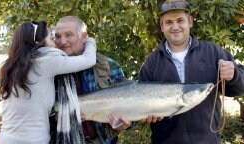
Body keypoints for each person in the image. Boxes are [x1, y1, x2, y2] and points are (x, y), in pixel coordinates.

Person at [138, 0, 244, 144]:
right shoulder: (151, 63)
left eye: (180, 20)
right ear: (162, 27)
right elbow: (140, 103)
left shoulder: (213, 52)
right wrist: (145, 114)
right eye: (169, 22)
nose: (175, 27)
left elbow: (238, 89)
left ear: (190, 22)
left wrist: (234, 75)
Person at [0, 20, 96, 144]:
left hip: (5, 139)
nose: (55, 42)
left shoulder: (10, 66)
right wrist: (90, 41)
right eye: (51, 38)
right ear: (39, 43)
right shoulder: (47, 61)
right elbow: (89, 60)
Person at [51, 16, 132, 144]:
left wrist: (126, 124)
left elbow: (130, 101)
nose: (62, 41)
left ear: (83, 36)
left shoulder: (107, 65)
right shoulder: (50, 70)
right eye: (58, 36)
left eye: (68, 35)